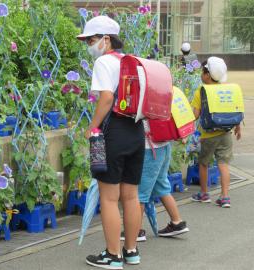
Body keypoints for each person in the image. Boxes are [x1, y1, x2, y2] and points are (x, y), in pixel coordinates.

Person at [77, 16, 145, 269]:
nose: (90, 45)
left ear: (106, 39)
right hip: (136, 131)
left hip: (113, 132)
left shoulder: (105, 62)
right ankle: (131, 251)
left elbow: (106, 98)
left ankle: (112, 255)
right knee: (130, 196)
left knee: (108, 197)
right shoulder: (133, 62)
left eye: (92, 40)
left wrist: (92, 127)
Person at [120, 122, 189, 242]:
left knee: (139, 193)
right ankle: (177, 222)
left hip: (149, 148)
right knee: (161, 185)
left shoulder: (145, 102)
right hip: (164, 145)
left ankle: (136, 231)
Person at [191, 57, 242, 208]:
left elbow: (195, 114)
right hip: (226, 132)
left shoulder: (201, 91)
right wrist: (238, 127)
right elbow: (234, 109)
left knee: (203, 163)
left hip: (208, 135)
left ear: (207, 75)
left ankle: (204, 193)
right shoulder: (228, 89)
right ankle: (225, 197)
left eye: (202, 72)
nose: (201, 74)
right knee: (223, 164)